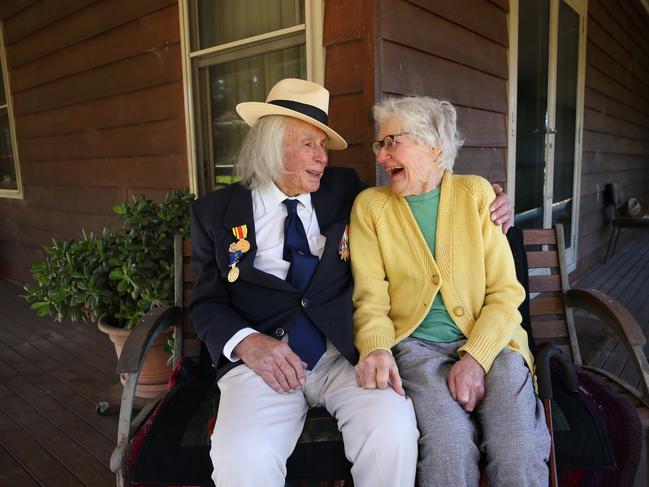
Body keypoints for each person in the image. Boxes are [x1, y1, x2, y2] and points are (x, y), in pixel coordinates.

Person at [189, 78, 513, 486]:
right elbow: (206, 303)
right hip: (263, 363)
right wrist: (249, 344)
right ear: (272, 143)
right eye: (310, 144)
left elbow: (417, 192)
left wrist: (492, 197)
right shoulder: (213, 212)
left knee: (393, 433)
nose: (323, 158)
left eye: (324, 146)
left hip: (344, 356)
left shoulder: (344, 189)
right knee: (242, 459)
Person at [350, 96, 551, 487]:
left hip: (494, 345)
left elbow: (505, 294)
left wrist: (474, 358)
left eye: (393, 142)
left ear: (435, 146)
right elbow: (370, 297)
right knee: (448, 446)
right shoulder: (370, 208)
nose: (382, 155)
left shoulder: (477, 195)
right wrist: (375, 346)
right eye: (380, 144)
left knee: (518, 447)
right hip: (417, 350)